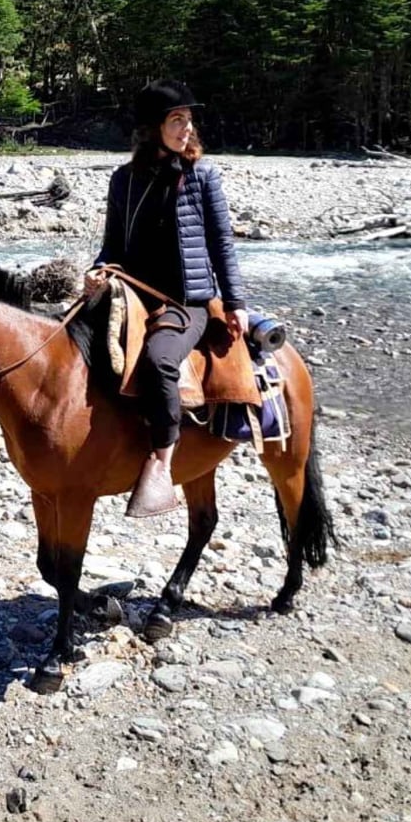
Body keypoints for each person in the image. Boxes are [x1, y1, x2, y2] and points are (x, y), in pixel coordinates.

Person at [84, 79, 250, 518]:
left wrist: (235, 304)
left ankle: (161, 460)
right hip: (132, 295)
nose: (186, 129)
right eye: (177, 120)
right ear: (152, 127)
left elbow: (222, 244)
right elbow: (112, 247)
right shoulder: (124, 180)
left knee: (159, 359)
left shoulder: (202, 176)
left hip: (187, 304)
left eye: (189, 121)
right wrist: (99, 270)